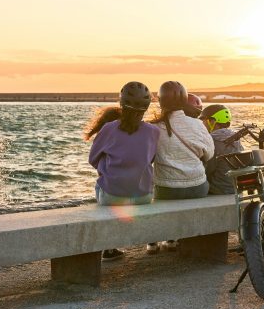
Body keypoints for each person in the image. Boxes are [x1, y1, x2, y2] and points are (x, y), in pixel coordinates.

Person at [88, 81, 160, 261]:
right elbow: (150, 159)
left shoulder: (109, 128)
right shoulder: (153, 131)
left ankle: (110, 248)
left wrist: (109, 169)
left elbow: (93, 159)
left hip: (113, 194)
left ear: (121, 103)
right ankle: (151, 240)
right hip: (143, 195)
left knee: (101, 185)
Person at [148, 81, 214, 253]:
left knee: (158, 193)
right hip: (198, 187)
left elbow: (148, 158)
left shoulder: (153, 127)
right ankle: (174, 239)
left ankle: (159, 241)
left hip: (166, 190)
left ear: (161, 101)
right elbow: (209, 154)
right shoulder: (197, 124)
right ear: (185, 99)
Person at [199, 104, 244, 195]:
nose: (203, 124)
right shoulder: (236, 138)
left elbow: (208, 169)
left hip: (218, 188)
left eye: (204, 121)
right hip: (235, 187)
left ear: (212, 121)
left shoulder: (211, 139)